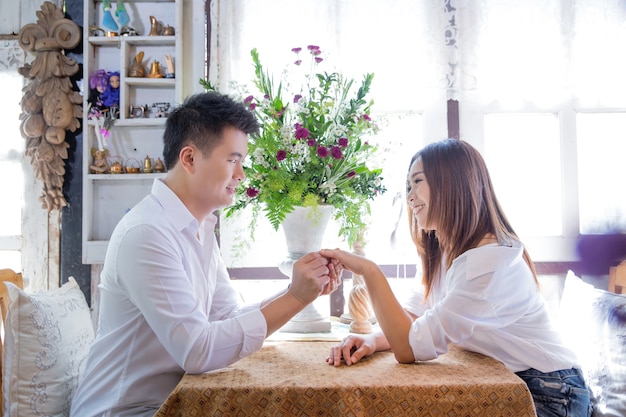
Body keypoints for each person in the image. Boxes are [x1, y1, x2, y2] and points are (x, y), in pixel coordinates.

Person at [70, 92, 342, 417]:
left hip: (175, 405)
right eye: (233, 160)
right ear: (190, 159)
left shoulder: (199, 226)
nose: (241, 174)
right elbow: (197, 350)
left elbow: (227, 315)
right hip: (124, 411)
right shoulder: (146, 234)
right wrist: (295, 297)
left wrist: (297, 291)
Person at [321, 139, 592, 417]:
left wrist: (369, 271)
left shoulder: (489, 263)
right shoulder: (442, 249)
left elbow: (407, 347)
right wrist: (373, 341)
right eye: (408, 186)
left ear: (451, 183)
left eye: (417, 182)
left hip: (548, 391)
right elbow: (415, 315)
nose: (410, 196)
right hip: (501, 382)